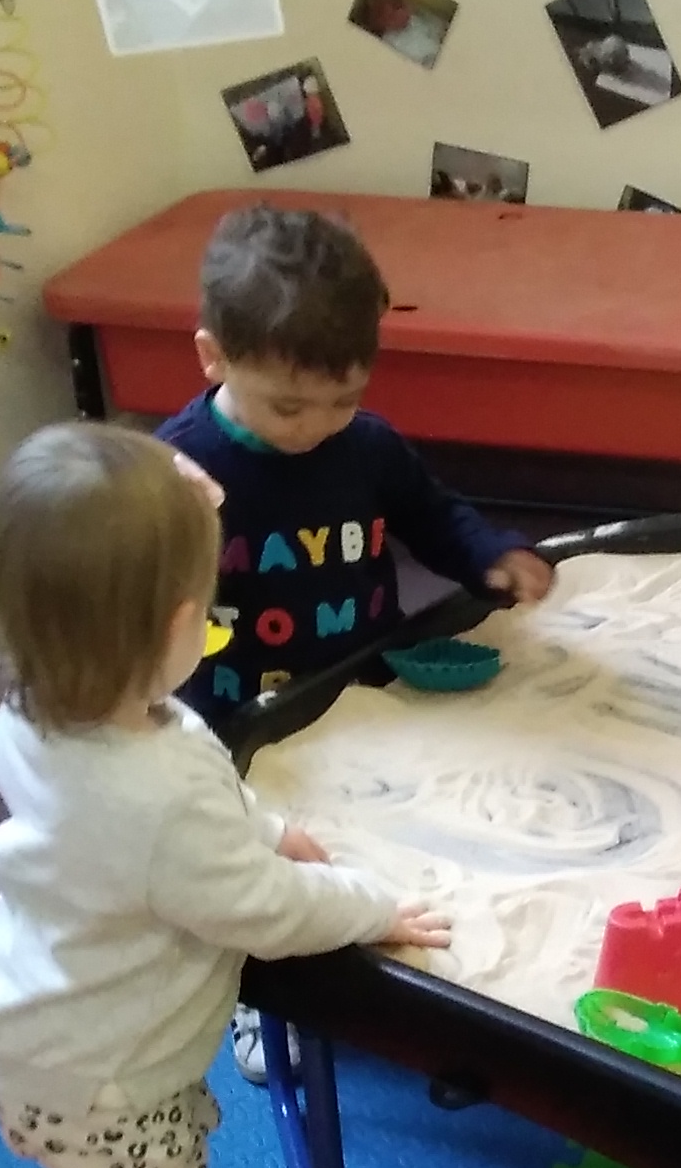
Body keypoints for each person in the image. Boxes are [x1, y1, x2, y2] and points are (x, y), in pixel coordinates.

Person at [0, 423, 452, 1168]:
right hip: (112, 1075)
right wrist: (372, 908)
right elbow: (262, 910)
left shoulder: (38, 710)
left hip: (33, 1033)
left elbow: (186, 818)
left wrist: (263, 828)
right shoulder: (152, 790)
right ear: (182, 625)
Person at [157, 203, 554, 1083]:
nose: (314, 426)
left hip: (357, 685)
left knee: (379, 842)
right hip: (235, 713)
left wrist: (490, 555)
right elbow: (135, 594)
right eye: (287, 404)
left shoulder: (366, 448)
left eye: (343, 400)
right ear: (213, 357)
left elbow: (432, 515)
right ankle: (264, 997)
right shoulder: (180, 470)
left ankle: (413, 978)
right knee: (258, 863)